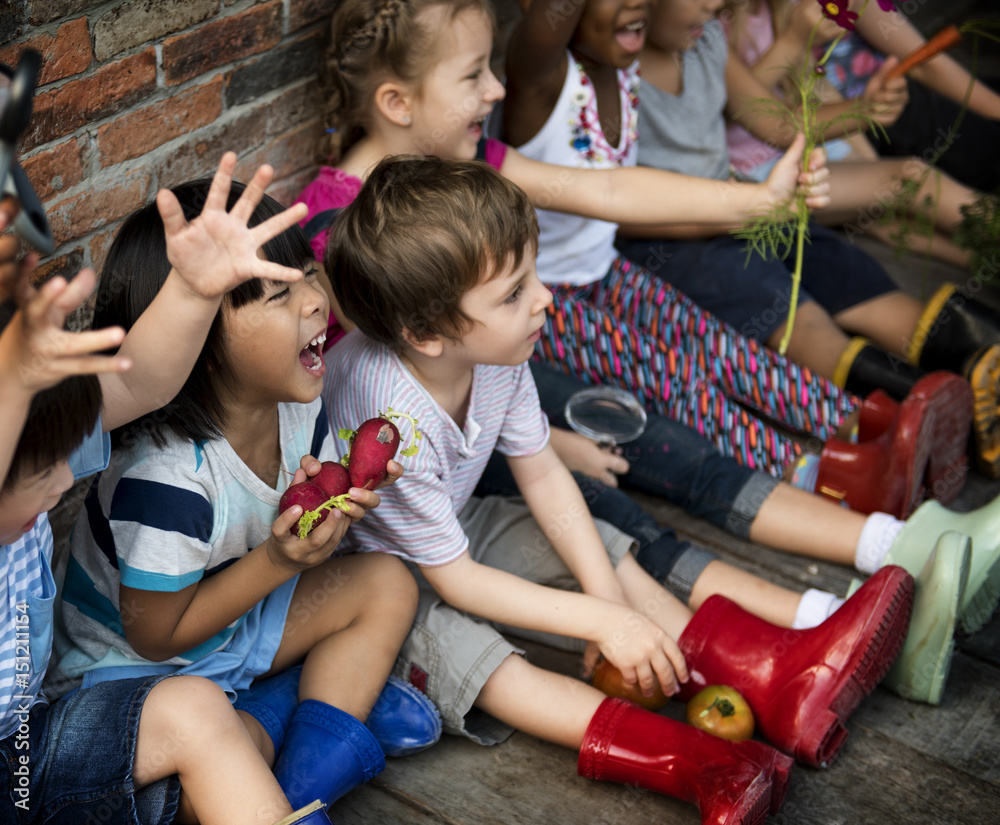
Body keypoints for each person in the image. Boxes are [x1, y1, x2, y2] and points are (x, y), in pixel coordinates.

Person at [296, 0, 998, 705]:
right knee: (629, 496)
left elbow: (601, 188)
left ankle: (878, 554)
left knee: (649, 454)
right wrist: (545, 448)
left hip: (486, 395)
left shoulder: (457, 169)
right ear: (396, 100)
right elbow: (389, 397)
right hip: (431, 461)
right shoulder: (346, 234)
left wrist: (757, 202)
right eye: (475, 73)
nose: (498, 90)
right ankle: (802, 634)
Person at [321, 157, 918, 824]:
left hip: (452, 528)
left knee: (609, 551)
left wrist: (606, 597)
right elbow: (456, 583)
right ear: (428, 334)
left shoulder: (494, 353)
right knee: (490, 668)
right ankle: (699, 764)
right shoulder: (390, 421)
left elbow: (544, 473)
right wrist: (604, 621)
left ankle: (774, 678)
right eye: (514, 292)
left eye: (532, 274)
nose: (545, 297)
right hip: (371, 589)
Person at [49, 170, 441, 814]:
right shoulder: (167, 478)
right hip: (138, 680)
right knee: (214, 750)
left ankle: (301, 777)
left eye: (308, 275)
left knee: (387, 583)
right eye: (277, 297)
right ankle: (300, 715)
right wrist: (280, 562)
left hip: (231, 633)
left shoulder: (294, 408)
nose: (315, 300)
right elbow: (155, 637)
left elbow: (284, 525)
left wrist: (340, 489)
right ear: (197, 344)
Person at [500, 0, 1000, 477]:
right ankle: (921, 431)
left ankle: (972, 383)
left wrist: (858, 113)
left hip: (745, 210)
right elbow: (619, 202)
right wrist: (744, 205)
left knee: (854, 281)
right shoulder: (557, 79)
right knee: (775, 338)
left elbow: (771, 123)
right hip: (677, 246)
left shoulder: (664, 54)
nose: (715, 9)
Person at [0, 166, 334, 825]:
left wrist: (194, 289)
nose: (68, 479)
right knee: (206, 719)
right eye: (43, 473)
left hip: (27, 748)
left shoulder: (42, 434)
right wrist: (11, 374)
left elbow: (145, 382)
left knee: (195, 719)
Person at [717, 0, 986, 270]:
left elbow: (813, 88)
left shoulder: (775, 9)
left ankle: (988, 264)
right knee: (910, 178)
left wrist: (866, 159)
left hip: (807, 146)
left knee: (883, 217)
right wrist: (794, 39)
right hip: (758, 171)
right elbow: (738, 108)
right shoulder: (711, 26)